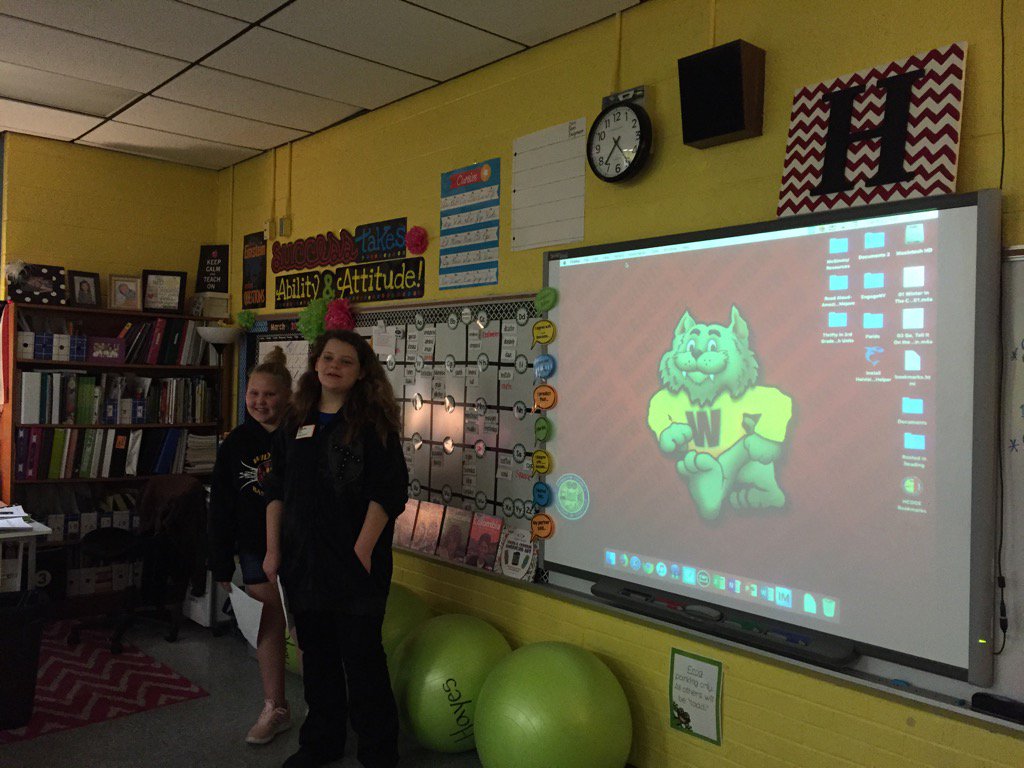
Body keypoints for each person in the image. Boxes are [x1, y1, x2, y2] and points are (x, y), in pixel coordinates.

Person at [264, 330, 408, 768]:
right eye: (327, 357)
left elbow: (389, 492)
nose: (333, 366)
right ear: (315, 364)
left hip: (355, 565)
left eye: (345, 361)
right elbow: (275, 490)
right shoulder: (295, 420)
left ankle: (378, 753)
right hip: (303, 564)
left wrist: (361, 551)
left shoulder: (372, 424)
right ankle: (321, 743)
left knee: (362, 660)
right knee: (318, 657)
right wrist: (273, 551)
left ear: (362, 372)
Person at [209, 347, 293, 745]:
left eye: (269, 394)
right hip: (254, 548)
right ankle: (274, 706)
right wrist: (220, 562)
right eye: (253, 394)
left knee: (311, 627)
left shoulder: (303, 435)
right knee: (269, 628)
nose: (260, 401)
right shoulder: (236, 443)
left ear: (288, 397)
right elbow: (222, 506)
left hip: (303, 547)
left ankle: (325, 705)